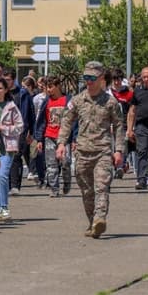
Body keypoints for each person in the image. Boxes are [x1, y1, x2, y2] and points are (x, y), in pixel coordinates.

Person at [57, 62, 125, 238]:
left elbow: (118, 126)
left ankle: (100, 218)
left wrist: (118, 150)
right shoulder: (77, 100)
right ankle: (92, 222)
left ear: (101, 79)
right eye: (86, 78)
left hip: (102, 151)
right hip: (82, 152)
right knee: (86, 190)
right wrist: (61, 143)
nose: (88, 81)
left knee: (101, 187)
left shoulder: (111, 102)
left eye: (92, 78)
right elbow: (66, 121)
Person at [0, 76, 24, 220]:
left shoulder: (11, 107)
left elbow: (20, 127)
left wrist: (2, 128)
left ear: (6, 90)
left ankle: (4, 207)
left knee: (2, 176)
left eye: (0, 88)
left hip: (8, 147)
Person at [33, 76, 71, 196]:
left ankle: (67, 182)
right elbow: (42, 121)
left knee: (65, 163)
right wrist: (39, 139)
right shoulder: (47, 102)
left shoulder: (67, 100)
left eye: (50, 87)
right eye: (46, 88)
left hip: (64, 138)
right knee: (51, 164)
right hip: (49, 135)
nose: (48, 90)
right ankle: (54, 189)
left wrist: (74, 138)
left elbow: (73, 120)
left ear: (58, 86)